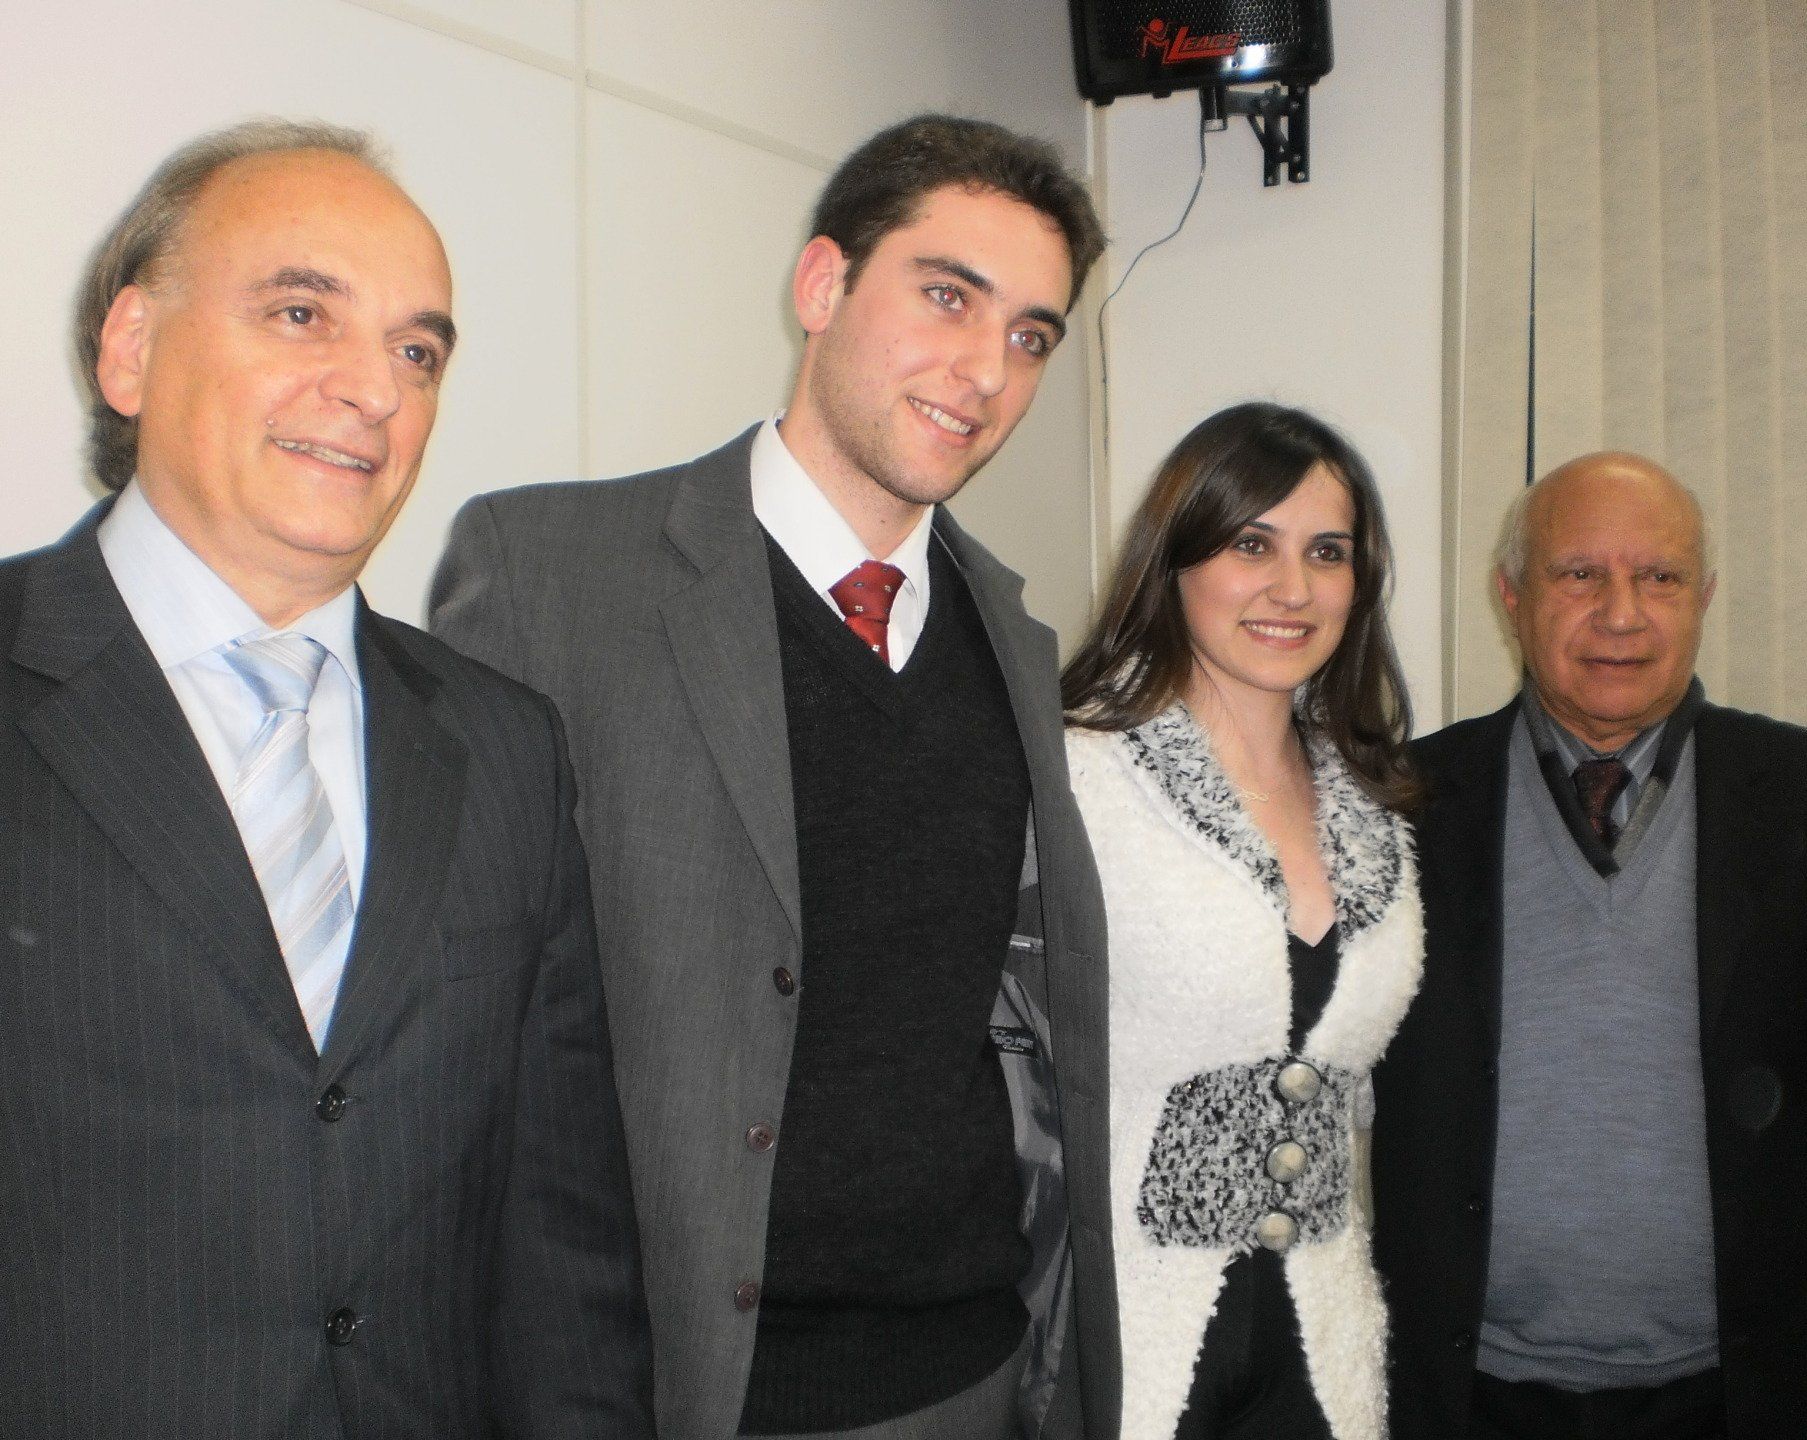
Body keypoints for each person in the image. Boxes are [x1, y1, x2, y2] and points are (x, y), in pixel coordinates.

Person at [430, 114, 1116, 1440]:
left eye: (1031, 335)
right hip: (679, 1386)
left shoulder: (1018, 641)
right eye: (948, 296)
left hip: (971, 1370)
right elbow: (458, 1028)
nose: (986, 370)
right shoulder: (553, 575)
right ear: (821, 284)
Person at [0, 120, 652, 1438]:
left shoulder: (507, 745)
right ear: (130, 349)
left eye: (418, 352)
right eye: (302, 314)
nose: (376, 390)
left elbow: (564, 1245)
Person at [1371, 452, 1807, 1440]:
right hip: (1460, 1382)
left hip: (1729, 1385)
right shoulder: (1397, 807)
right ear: (1512, 595)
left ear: (1702, 597)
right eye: (1579, 573)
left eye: (1659, 577)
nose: (1621, 614)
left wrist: (1748, 1112)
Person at [1059, 403, 1425, 1440]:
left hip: (1319, 1336)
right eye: (1252, 545)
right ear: (1174, 562)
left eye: (1328, 553)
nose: (1293, 589)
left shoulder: (1375, 807)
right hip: (1122, 1332)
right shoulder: (1078, 777)